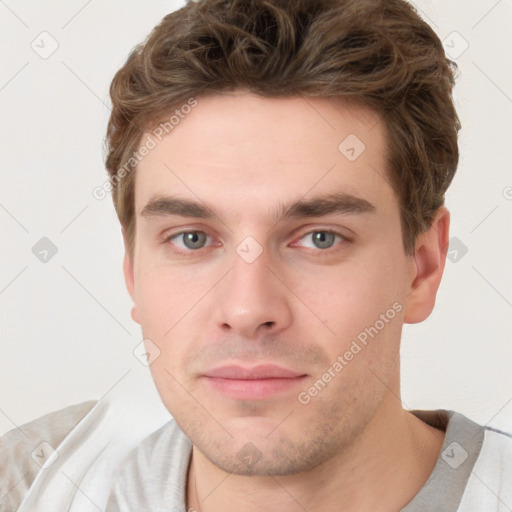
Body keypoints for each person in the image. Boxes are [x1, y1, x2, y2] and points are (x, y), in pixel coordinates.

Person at [2, 0, 511, 511]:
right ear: (133, 270)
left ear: (422, 268)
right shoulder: (29, 486)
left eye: (320, 238)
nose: (247, 311)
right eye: (192, 239)